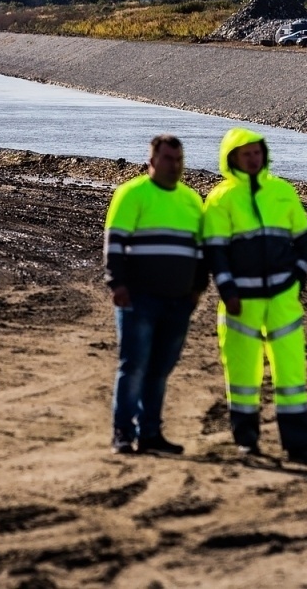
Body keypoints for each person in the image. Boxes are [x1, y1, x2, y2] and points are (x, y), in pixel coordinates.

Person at [202, 126, 307, 465]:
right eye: (246, 154)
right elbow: (215, 251)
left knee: (292, 377)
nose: (254, 158)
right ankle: (247, 443)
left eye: (257, 152)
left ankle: (300, 446)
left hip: (282, 300)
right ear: (232, 159)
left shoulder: (282, 191)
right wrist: (227, 290)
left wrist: (298, 277)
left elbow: (303, 237)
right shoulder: (220, 198)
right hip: (240, 301)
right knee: (243, 376)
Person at [103, 134, 207, 455]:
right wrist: (116, 284)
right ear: (151, 161)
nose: (174, 165)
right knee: (133, 365)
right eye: (167, 159)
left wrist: (196, 291)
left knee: (160, 369)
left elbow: (202, 251)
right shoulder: (131, 194)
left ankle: (150, 433)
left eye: (178, 160)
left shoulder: (192, 200)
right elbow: (115, 242)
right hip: (139, 298)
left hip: (178, 301)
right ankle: (123, 432)